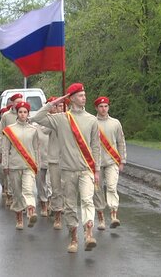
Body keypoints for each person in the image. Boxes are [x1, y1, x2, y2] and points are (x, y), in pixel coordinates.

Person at [30, 83, 100, 253]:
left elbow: (96, 147)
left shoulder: (92, 119)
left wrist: (97, 170)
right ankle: (74, 237)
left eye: (84, 94)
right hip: (67, 170)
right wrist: (54, 103)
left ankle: (89, 233)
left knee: (87, 201)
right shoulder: (61, 119)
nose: (84, 97)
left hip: (86, 170)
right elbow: (36, 118)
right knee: (69, 205)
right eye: (81, 95)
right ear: (72, 98)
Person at [2, 101, 39, 230]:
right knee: (17, 193)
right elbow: (5, 149)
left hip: (29, 166)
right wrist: (5, 165)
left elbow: (36, 149)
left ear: (28, 114)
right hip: (14, 166)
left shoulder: (34, 130)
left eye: (25, 112)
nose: (23, 114)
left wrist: (37, 165)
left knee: (28, 190)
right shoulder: (9, 130)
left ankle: (31, 211)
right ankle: (19, 218)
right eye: (20, 112)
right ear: (17, 114)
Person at [93, 96, 127, 229]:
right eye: (101, 106)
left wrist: (122, 160)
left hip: (112, 161)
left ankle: (113, 215)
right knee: (98, 190)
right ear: (96, 108)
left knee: (112, 187)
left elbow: (121, 142)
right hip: (96, 163)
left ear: (109, 107)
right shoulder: (92, 122)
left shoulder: (115, 123)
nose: (103, 109)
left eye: (106, 106)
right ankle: (101, 218)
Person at [0, 94, 24, 207]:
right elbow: (2, 133)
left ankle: (21, 199)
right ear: (12, 103)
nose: (19, 103)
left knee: (22, 178)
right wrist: (0, 150)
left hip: (23, 150)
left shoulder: (25, 114)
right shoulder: (6, 116)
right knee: (9, 176)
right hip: (10, 148)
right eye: (17, 102)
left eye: (21, 101)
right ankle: (9, 195)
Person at [45, 96, 65, 229]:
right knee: (56, 189)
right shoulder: (50, 121)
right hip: (54, 159)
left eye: (63, 106)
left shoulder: (70, 119)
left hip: (70, 160)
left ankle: (63, 209)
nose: (61, 108)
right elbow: (43, 130)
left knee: (67, 189)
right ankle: (57, 215)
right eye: (58, 106)